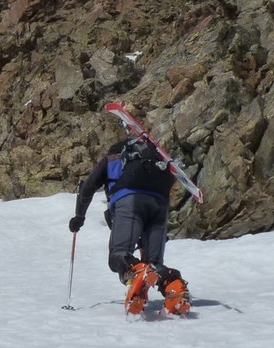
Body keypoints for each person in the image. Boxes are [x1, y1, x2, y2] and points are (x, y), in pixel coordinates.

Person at [68, 128, 191, 315]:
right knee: (154, 262)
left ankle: (137, 273)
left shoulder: (111, 159)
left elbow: (88, 187)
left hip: (130, 201)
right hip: (160, 204)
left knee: (118, 255)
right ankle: (174, 288)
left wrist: (79, 217)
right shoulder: (152, 162)